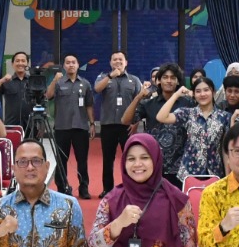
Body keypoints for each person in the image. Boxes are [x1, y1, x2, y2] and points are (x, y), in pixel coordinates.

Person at [125, 64, 186, 186]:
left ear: (178, 81)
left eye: (173, 77)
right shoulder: (148, 104)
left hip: (181, 167)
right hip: (154, 163)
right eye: (165, 77)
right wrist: (138, 97)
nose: (169, 80)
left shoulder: (188, 104)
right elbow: (126, 120)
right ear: (158, 80)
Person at [159, 76, 227, 181]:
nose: (202, 94)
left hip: (215, 172)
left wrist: (228, 177)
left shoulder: (224, 117)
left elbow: (225, 149)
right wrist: (176, 94)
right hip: (189, 172)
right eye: (198, 91)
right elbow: (161, 117)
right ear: (194, 94)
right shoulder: (187, 113)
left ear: (213, 92)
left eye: (206, 90)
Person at [46, 53, 94, 198]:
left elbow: (89, 105)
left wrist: (92, 124)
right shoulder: (59, 83)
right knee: (61, 160)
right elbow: (48, 96)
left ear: (78, 65)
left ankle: (84, 188)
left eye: (74, 62)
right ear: (64, 66)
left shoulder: (85, 83)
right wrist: (54, 80)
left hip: (80, 127)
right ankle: (62, 188)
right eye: (68, 62)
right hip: (62, 127)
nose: (71, 65)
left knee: (82, 160)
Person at [95, 51, 142, 194]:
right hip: (108, 124)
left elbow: (140, 102)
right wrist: (110, 76)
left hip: (127, 127)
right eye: (114, 60)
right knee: (108, 160)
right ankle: (107, 190)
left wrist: (136, 123)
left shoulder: (134, 80)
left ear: (126, 62)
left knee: (130, 158)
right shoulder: (103, 77)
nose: (118, 62)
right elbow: (97, 89)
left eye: (120, 60)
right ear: (110, 63)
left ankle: (131, 188)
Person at [0, 51, 32, 128]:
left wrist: (41, 125)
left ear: (27, 63)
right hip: (11, 125)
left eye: (23, 61)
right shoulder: (6, 81)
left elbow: (42, 101)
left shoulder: (33, 81)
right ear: (12, 64)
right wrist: (1, 81)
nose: (20, 63)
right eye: (17, 61)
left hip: (31, 126)